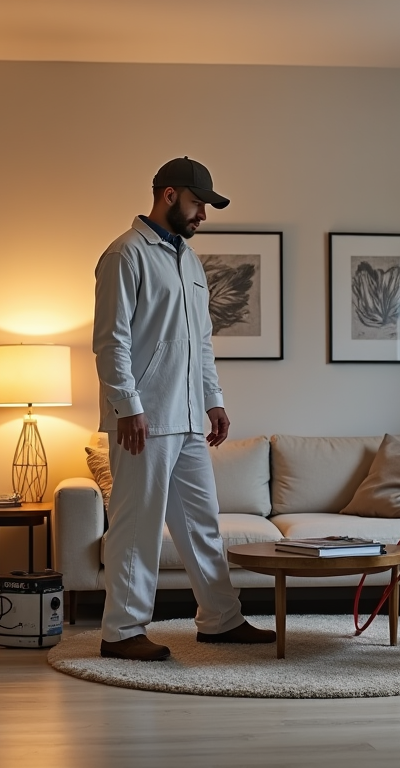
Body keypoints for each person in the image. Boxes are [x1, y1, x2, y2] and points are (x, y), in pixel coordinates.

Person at [92, 156, 276, 661]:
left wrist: (213, 401)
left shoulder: (190, 261)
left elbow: (202, 343)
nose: (203, 215)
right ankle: (122, 633)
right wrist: (127, 406)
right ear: (169, 195)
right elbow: (111, 342)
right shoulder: (124, 254)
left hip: (191, 416)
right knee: (137, 525)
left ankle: (220, 620)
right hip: (144, 421)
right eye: (198, 203)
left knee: (202, 523)